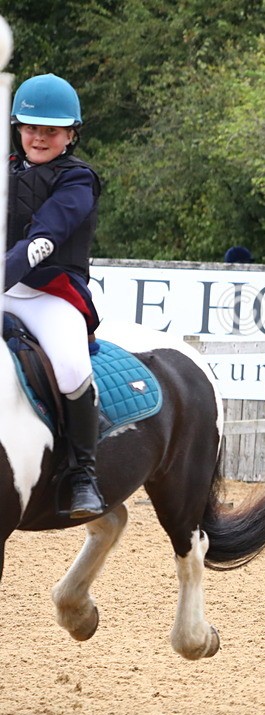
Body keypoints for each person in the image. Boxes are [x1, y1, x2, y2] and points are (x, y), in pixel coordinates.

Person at [5, 73, 105, 518]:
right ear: (18, 128)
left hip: (50, 294)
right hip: (5, 288)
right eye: (31, 127)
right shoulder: (5, 170)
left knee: (69, 367)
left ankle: (83, 474)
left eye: (51, 130)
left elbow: (42, 240)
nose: (39, 138)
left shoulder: (78, 180)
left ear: (71, 134)